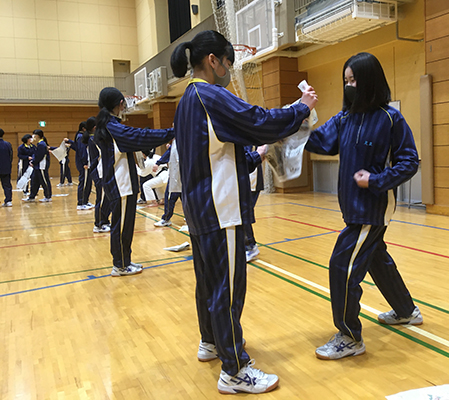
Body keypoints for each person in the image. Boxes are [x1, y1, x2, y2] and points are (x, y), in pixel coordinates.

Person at [170, 29, 317, 395]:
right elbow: (258, 120)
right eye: (229, 64)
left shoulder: (186, 99)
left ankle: (211, 342)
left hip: (200, 209)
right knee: (227, 290)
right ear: (213, 61)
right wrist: (301, 108)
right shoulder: (209, 94)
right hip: (221, 210)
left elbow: (216, 151)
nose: (231, 72)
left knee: (208, 284)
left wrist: (255, 156)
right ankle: (234, 370)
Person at [304, 52, 422, 361]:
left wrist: (376, 180)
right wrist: (298, 121)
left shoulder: (390, 119)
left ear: (369, 81)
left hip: (372, 209)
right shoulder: (345, 118)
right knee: (374, 258)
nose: (349, 86)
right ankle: (406, 311)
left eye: (354, 80)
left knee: (341, 266)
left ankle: (349, 336)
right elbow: (320, 142)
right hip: (352, 208)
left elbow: (410, 161)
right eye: (346, 81)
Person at [94, 87, 174, 277]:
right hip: (120, 184)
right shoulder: (111, 127)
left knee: (125, 225)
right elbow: (140, 137)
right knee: (121, 226)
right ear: (119, 104)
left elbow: (137, 136)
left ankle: (125, 261)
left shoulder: (109, 125)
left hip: (123, 184)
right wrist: (172, 132)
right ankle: (120, 265)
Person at [86, 117, 111, 234]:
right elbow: (94, 161)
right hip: (100, 175)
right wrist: (96, 178)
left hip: (106, 174)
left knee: (108, 199)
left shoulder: (100, 139)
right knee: (101, 200)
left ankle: (105, 220)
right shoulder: (93, 140)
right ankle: (98, 224)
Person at [244, 145, 267, 262]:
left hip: (252, 180)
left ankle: (250, 246)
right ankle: (245, 245)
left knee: (244, 214)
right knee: (241, 214)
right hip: (243, 178)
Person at [154, 141, 181, 227]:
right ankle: (166, 218)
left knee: (171, 198)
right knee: (173, 197)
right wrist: (159, 162)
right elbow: (169, 152)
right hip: (176, 175)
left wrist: (158, 163)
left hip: (180, 176)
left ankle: (166, 219)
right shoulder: (176, 142)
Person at [23, 129, 52, 203]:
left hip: (41, 166)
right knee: (34, 181)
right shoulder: (39, 144)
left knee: (44, 181)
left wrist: (34, 162)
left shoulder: (42, 144)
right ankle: (32, 196)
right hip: (37, 166)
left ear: (37, 136)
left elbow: (40, 156)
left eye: (34, 135)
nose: (33, 137)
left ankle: (48, 196)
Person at [70, 122, 93, 210]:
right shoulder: (80, 137)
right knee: (83, 183)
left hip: (86, 163)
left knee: (88, 183)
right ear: (84, 128)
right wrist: (85, 162)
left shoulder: (80, 136)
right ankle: (81, 203)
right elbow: (82, 151)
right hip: (84, 164)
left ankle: (85, 201)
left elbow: (77, 147)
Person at [0, 129, 13, 207]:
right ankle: (8, 201)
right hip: (6, 168)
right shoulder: (8, 144)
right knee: (7, 185)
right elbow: (10, 156)